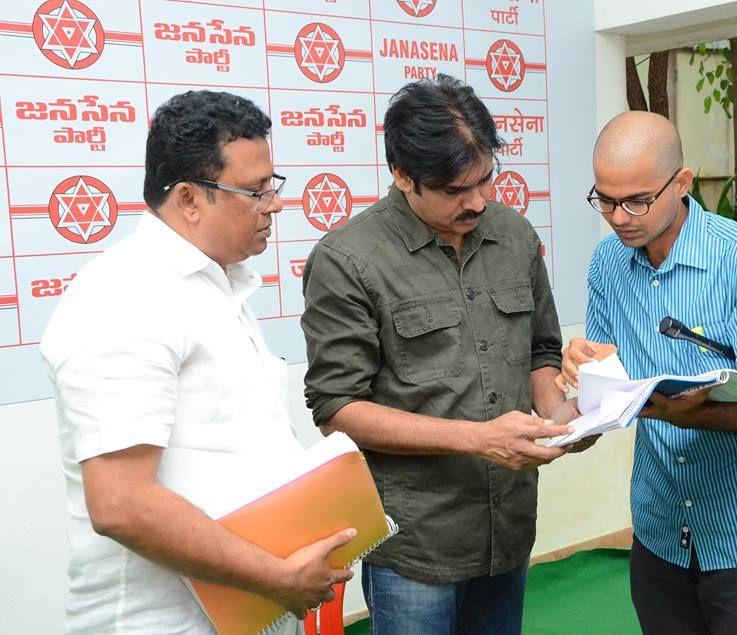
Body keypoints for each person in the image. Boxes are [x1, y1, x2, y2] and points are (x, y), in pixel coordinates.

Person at [41, 90, 354, 634]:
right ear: (189, 199)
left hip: (249, 604)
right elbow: (121, 504)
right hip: (166, 621)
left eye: (272, 186)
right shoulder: (125, 297)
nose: (274, 205)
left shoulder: (217, 286)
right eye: (255, 192)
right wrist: (274, 575)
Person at [300, 75, 591, 634]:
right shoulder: (347, 259)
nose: (478, 201)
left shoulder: (514, 236)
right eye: (457, 190)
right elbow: (337, 408)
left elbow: (540, 352)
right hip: (417, 541)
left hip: (506, 525)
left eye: (486, 180)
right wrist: (480, 440)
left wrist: (564, 416)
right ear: (404, 175)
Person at [557, 111, 737, 634]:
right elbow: (614, 383)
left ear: (682, 183)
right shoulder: (608, 262)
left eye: (637, 200)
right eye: (604, 200)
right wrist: (582, 377)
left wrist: (688, 415)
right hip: (659, 522)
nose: (619, 216)